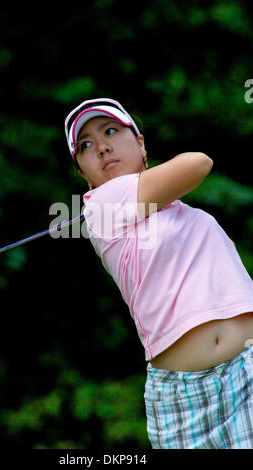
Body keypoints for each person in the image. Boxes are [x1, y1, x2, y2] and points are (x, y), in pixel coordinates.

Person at [64, 98, 253, 449]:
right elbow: (198, 163)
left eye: (110, 132)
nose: (102, 147)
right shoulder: (102, 206)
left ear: (140, 143)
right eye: (86, 145)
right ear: (83, 173)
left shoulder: (179, 212)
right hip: (187, 402)